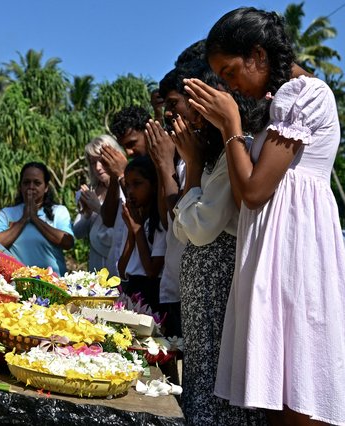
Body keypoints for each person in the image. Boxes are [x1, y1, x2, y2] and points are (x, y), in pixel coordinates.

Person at [185, 7, 345, 425]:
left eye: (232, 71)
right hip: (271, 264)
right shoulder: (277, 107)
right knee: (277, 399)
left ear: (258, 55)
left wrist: (231, 124)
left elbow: (254, 191)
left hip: (297, 263)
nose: (230, 84)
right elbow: (244, 195)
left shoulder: (307, 94)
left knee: (301, 395)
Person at [155, 60, 265, 425]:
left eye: (192, 108)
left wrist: (191, 164)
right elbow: (182, 230)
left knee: (216, 386)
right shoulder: (209, 158)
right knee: (201, 378)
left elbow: (198, 229)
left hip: (217, 291)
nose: (186, 121)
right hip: (203, 294)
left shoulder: (233, 153)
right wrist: (192, 166)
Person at [0, 162, 74, 275]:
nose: (31, 187)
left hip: (53, 284)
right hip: (16, 284)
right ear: (20, 186)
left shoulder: (59, 211)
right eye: (26, 182)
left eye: (37, 183)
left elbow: (68, 242)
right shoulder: (6, 214)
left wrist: (35, 219)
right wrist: (24, 219)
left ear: (46, 188)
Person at [101, 106, 152, 276]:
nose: (129, 152)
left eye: (132, 143)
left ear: (148, 131)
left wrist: (123, 175)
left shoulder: (161, 166)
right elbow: (107, 219)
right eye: (124, 147)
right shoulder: (126, 171)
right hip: (126, 270)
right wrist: (116, 176)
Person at [117, 156, 166, 313]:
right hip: (131, 287)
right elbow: (122, 269)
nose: (130, 191)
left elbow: (152, 271)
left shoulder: (159, 221)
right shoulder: (135, 219)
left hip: (152, 293)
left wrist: (138, 229)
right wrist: (132, 231)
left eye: (137, 184)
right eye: (128, 186)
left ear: (153, 185)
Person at [73, 135, 126, 272]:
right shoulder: (90, 191)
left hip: (119, 264)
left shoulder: (125, 189)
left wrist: (98, 207)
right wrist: (86, 213)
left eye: (102, 161)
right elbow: (78, 233)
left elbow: (120, 231)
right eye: (92, 162)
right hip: (96, 265)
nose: (97, 167)